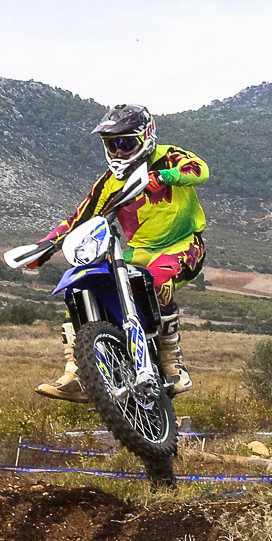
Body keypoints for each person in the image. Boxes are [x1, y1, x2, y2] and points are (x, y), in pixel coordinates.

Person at [33, 103, 208, 403]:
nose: (118, 151)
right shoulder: (109, 183)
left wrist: (164, 176)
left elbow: (199, 169)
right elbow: (79, 217)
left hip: (184, 245)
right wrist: (42, 247)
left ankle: (171, 362)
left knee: (158, 278)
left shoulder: (168, 156)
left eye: (126, 143)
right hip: (139, 252)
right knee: (81, 283)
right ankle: (77, 371)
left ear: (146, 137)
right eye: (111, 144)